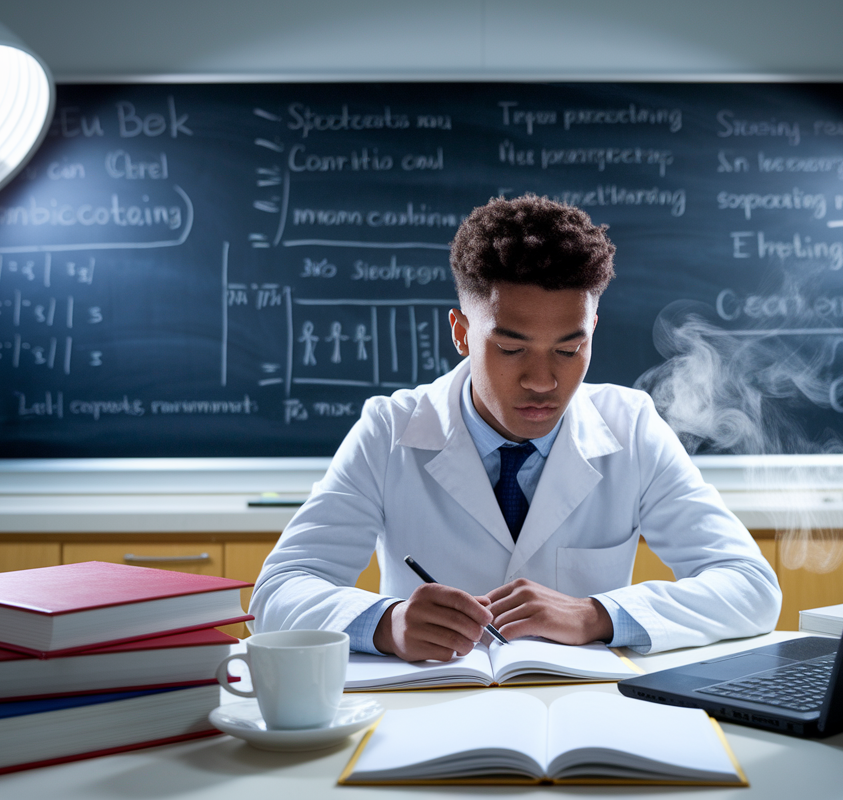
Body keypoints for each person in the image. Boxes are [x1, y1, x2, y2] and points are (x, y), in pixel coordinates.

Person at [250, 195, 780, 660]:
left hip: (585, 714)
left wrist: (598, 615)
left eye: (570, 349)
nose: (544, 381)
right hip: (430, 711)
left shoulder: (632, 427)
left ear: (592, 329)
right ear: (460, 332)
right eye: (510, 348)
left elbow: (751, 586)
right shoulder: (390, 430)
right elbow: (277, 591)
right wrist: (385, 625)